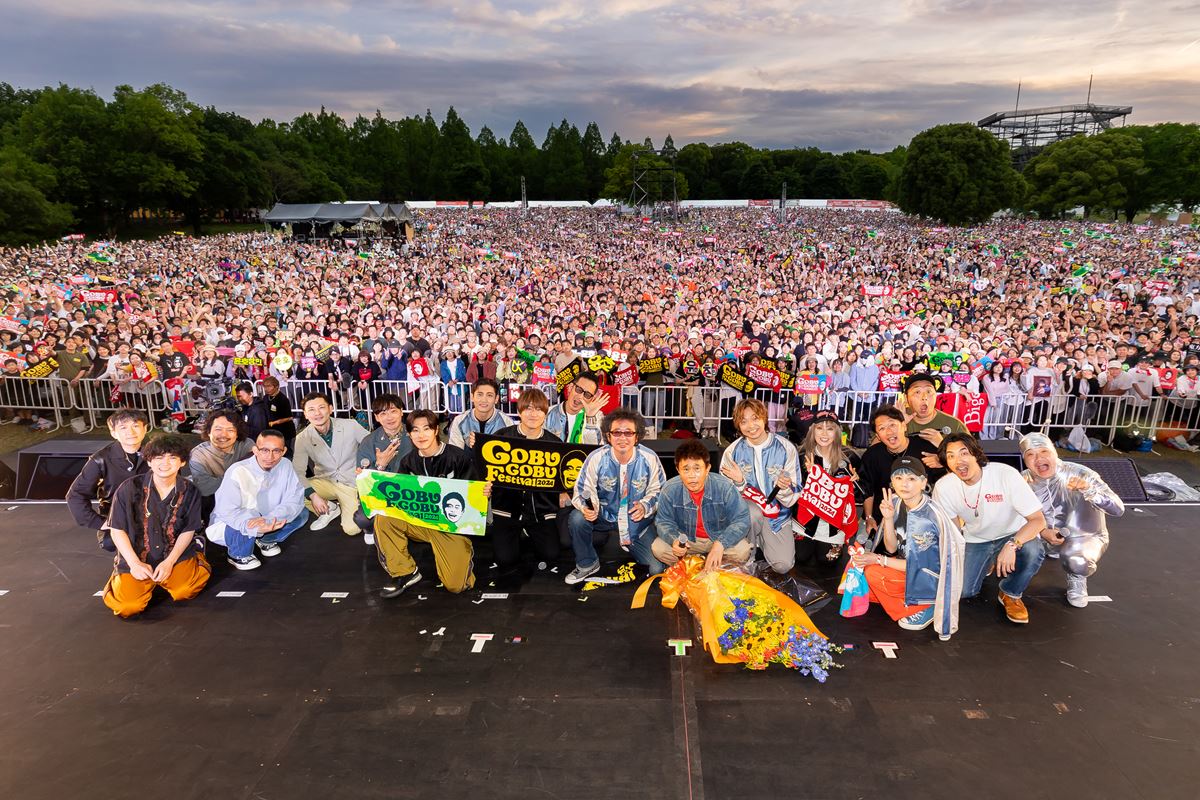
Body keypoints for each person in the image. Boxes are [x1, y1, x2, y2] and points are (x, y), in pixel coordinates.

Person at [931, 433, 1047, 624]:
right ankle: (988, 560)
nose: (958, 460)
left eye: (963, 453)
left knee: (1034, 551)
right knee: (963, 591)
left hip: (1012, 534)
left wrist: (1012, 545)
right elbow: (951, 531)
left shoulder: (1005, 474)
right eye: (951, 456)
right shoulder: (944, 487)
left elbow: (1038, 520)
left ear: (976, 454)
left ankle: (1010, 593)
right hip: (975, 539)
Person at [848, 456, 966, 640]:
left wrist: (878, 559)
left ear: (923, 482)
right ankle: (908, 600)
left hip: (929, 577)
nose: (905, 484)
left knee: (873, 572)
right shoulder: (896, 502)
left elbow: (918, 566)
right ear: (892, 482)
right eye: (899, 478)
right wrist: (887, 518)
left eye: (911, 479)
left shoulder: (927, 518)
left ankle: (926, 605)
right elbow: (891, 548)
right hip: (908, 568)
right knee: (861, 566)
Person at [373, 409, 481, 597]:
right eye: (415, 430)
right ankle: (404, 572)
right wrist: (370, 477)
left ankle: (463, 552)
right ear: (409, 434)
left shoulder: (458, 457)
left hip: (449, 527)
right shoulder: (408, 461)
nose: (421, 435)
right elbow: (396, 498)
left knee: (457, 586)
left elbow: (473, 500)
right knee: (384, 517)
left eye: (426, 429)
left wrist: (483, 492)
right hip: (421, 522)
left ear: (436, 430)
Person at [100, 435, 210, 618]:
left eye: (172, 457)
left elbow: (189, 528)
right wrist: (134, 563)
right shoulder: (128, 488)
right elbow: (116, 529)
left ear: (182, 462)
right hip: (137, 555)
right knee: (128, 607)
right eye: (159, 457)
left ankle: (196, 555)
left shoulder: (190, 490)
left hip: (173, 553)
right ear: (149, 461)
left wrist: (169, 562)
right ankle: (122, 578)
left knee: (185, 591)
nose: (165, 463)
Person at [1019, 433, 1124, 607]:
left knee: (1076, 560)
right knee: (1010, 544)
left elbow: (1118, 509)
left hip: (1084, 536)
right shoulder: (1023, 479)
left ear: (1054, 453)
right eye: (1030, 454)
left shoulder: (1080, 474)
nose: (1038, 458)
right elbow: (1014, 515)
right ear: (1025, 459)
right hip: (1043, 534)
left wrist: (1089, 491)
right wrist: (1042, 532)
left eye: (1044, 451)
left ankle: (1077, 577)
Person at [565, 407, 667, 584]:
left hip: (636, 521)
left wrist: (645, 505)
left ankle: (630, 542)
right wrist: (588, 506)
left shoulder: (649, 457)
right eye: (617, 432)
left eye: (628, 433)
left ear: (637, 436)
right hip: (603, 515)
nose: (622, 438)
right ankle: (587, 563)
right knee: (577, 518)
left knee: (656, 569)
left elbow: (660, 490)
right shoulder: (596, 457)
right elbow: (582, 488)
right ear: (608, 435)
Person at [488, 389, 565, 589]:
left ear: (546, 413)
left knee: (551, 554)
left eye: (538, 409)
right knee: (505, 559)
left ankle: (529, 533)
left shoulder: (554, 443)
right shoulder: (502, 437)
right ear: (519, 411)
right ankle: (516, 535)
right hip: (506, 510)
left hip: (540, 511)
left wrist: (564, 493)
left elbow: (563, 480)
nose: (533, 414)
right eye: (528, 408)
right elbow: (486, 473)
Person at [718, 397, 801, 576]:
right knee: (752, 512)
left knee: (783, 565)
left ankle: (764, 540)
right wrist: (740, 483)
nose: (751, 425)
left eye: (755, 418)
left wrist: (784, 488)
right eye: (743, 421)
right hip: (748, 516)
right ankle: (748, 552)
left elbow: (795, 494)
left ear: (764, 417)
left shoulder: (786, 448)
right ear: (738, 425)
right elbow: (724, 498)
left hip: (777, 517)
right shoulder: (732, 452)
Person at [207, 429, 310, 570]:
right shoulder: (238, 471)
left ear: (284, 451)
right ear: (255, 450)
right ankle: (237, 554)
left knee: (302, 513)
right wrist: (254, 524)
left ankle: (265, 539)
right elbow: (227, 511)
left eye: (276, 451)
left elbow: (294, 499)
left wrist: (270, 519)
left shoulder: (285, 465)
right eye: (264, 450)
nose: (270, 456)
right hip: (238, 520)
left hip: (267, 516)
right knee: (239, 524)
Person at [653, 438, 753, 570]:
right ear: (678, 470)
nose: (692, 476)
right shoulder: (670, 489)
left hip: (718, 538)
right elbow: (663, 522)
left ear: (707, 469)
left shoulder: (724, 487)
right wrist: (675, 540)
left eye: (697, 468)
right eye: (686, 469)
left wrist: (720, 544)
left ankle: (698, 564)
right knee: (658, 548)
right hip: (689, 542)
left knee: (742, 551)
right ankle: (705, 565)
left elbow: (742, 519)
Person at [66, 408, 151, 551]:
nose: (130, 432)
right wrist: (100, 522)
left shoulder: (158, 453)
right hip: (119, 515)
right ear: (113, 433)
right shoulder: (100, 459)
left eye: (135, 426)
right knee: (112, 542)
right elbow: (75, 495)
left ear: (145, 428)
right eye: (123, 427)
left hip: (154, 512)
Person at [858, 405, 942, 547]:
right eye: (882, 428)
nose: (889, 431)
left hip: (922, 518)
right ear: (878, 436)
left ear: (904, 426)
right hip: (883, 516)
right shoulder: (872, 455)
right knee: (862, 550)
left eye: (892, 425)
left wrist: (942, 461)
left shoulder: (926, 449)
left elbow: (944, 483)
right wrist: (869, 517)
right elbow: (868, 489)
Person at [292, 391, 369, 536]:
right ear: (305, 414)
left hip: (350, 483)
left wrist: (365, 468)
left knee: (352, 530)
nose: (317, 413)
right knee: (293, 491)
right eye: (311, 410)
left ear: (330, 408)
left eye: (321, 407)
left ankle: (354, 504)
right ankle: (330, 508)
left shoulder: (351, 425)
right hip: (325, 481)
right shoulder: (302, 437)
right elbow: (298, 471)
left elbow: (369, 446)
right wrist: (313, 496)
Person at [794, 409, 863, 569]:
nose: (824, 433)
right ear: (812, 430)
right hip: (807, 520)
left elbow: (860, 496)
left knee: (827, 560)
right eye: (819, 428)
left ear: (837, 432)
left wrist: (855, 483)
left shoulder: (850, 457)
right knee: (801, 556)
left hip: (834, 522)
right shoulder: (801, 455)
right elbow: (793, 493)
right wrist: (808, 478)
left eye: (830, 428)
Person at [353, 392, 413, 545]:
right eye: (383, 413)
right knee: (362, 518)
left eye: (393, 411)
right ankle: (370, 529)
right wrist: (381, 465)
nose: (389, 417)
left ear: (401, 412)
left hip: (410, 492)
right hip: (381, 492)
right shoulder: (368, 441)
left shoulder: (415, 434)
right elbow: (364, 481)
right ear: (377, 417)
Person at [187, 408, 254, 520]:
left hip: (244, 500)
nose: (223, 435)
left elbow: (254, 478)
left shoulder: (247, 446)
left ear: (237, 434)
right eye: (218, 429)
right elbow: (205, 488)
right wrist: (237, 478)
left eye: (230, 430)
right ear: (208, 432)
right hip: (212, 501)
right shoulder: (198, 454)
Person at [447, 378, 514, 451]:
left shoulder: (507, 423)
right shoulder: (459, 421)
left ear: (496, 399)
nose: (484, 400)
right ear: (472, 397)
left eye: (489, 395)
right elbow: (455, 456)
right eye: (480, 395)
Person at [545, 371, 606, 445]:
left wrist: (590, 418)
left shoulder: (597, 417)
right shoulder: (548, 413)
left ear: (592, 399)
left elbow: (594, 448)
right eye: (579, 390)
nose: (580, 397)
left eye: (587, 395)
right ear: (570, 388)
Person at [260, 376, 297, 449]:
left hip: (285, 432)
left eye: (269, 386)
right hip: (272, 431)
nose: (266, 389)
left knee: (286, 451)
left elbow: (289, 417)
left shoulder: (283, 399)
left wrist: (275, 422)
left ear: (276, 386)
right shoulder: (265, 398)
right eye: (265, 386)